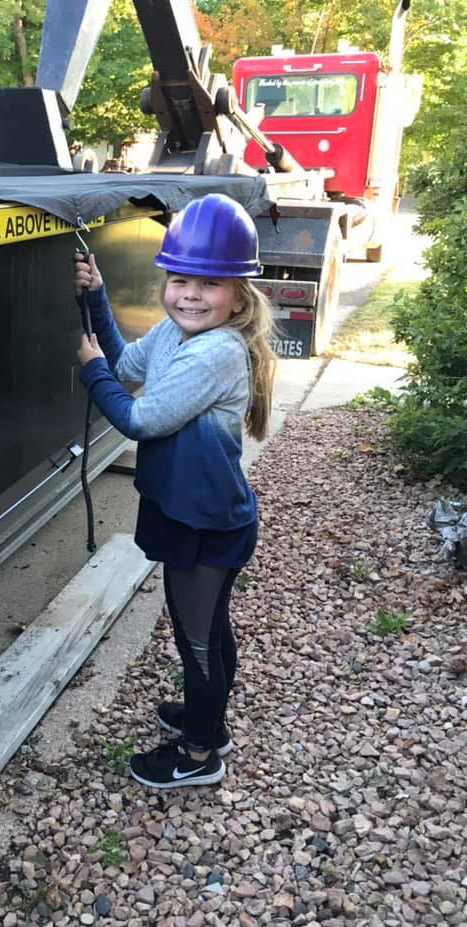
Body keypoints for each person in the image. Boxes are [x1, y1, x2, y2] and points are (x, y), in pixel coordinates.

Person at [73, 193, 276, 789]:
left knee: (197, 641)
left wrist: (89, 371)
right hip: (188, 509)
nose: (190, 293)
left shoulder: (216, 350)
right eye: (180, 278)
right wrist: (96, 299)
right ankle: (208, 722)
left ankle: (198, 755)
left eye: (209, 285)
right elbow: (126, 363)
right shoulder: (174, 332)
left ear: (239, 296)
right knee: (207, 630)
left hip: (205, 523)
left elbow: (138, 419)